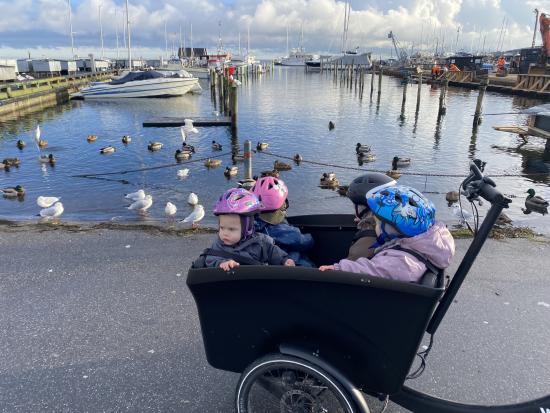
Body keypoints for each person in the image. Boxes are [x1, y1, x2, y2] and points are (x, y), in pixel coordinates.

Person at [319, 185, 455, 283]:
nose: (375, 226)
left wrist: (338, 269)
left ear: (390, 229)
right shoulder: (421, 245)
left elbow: (368, 270)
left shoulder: (402, 262)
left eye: (378, 224)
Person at [195, 187, 295, 270]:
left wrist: (284, 260)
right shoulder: (219, 245)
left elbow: (272, 252)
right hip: (230, 283)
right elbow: (210, 259)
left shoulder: (259, 242)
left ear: (247, 228)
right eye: (222, 228)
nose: (225, 233)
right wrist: (222, 263)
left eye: (231, 229)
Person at [251, 176, 315, 267]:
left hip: (267, 264)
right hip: (290, 265)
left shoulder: (250, 226)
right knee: (307, 264)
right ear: (282, 207)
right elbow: (305, 242)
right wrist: (311, 237)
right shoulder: (283, 231)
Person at [345, 172, 396, 260]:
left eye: (354, 205)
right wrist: (366, 221)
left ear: (364, 206)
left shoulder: (361, 250)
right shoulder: (397, 226)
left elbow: (349, 267)